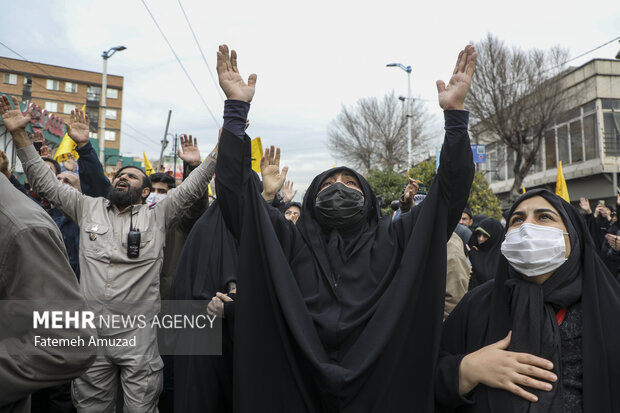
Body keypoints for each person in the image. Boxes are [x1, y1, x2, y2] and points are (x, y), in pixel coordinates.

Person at [213, 43, 476, 411]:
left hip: (380, 383)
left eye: (351, 184)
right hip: (294, 382)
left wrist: (455, 117)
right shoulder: (288, 239)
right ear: (311, 200)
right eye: (329, 183)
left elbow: (449, 193)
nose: (339, 187)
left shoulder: (396, 237)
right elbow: (236, 194)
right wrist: (236, 109)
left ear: (369, 200)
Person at [0, 94, 217, 413]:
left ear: (145, 193)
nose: (122, 178)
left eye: (131, 177)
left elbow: (191, 189)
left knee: (140, 409)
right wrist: (20, 137)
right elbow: (44, 184)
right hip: (92, 339)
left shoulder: (156, 216)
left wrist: (216, 154)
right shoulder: (86, 207)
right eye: (120, 175)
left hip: (139, 339)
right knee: (90, 409)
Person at [435, 189, 620, 413]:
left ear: (572, 234)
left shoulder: (607, 306)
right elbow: (423, 379)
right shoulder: (477, 304)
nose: (526, 228)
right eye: (517, 219)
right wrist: (466, 370)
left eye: (544, 217)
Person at [0, 159, 95, 413]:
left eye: (68, 182)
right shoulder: (34, 208)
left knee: (62, 395)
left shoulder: (32, 223)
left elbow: (69, 345)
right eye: (58, 181)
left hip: (63, 306)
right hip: (33, 311)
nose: (60, 185)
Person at [468, 217, 504, 290]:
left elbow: (488, 278)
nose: (480, 239)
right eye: (479, 234)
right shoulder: (473, 249)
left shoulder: (503, 257)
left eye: (485, 236)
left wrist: (475, 258)